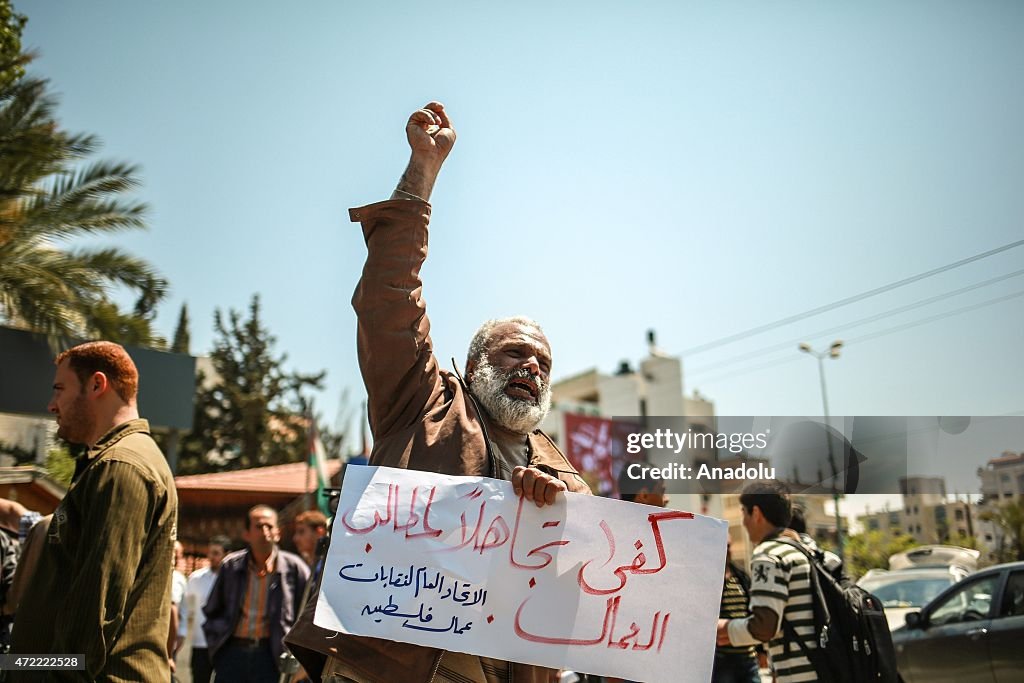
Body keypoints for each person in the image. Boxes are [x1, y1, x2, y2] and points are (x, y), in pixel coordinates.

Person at [284, 101, 592, 683]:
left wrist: (559, 510)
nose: (532, 366)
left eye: (543, 362)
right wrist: (422, 173)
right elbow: (389, 296)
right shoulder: (423, 404)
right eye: (514, 352)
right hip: (388, 666)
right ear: (474, 365)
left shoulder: (566, 473)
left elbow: (589, 578)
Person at [10, 341, 178, 681]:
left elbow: (95, 614)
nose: (52, 404)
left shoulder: (121, 466)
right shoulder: (112, 462)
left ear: (97, 385)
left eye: (60, 389)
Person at [716, 481, 815, 683]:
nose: (743, 521)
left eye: (744, 512)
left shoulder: (767, 555)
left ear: (757, 513)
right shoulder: (807, 550)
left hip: (797, 675)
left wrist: (726, 629)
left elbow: (764, 626)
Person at [203, 505, 309, 683]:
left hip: (272, 655)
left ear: (278, 532)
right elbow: (213, 609)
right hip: (233, 653)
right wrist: (218, 646)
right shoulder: (231, 566)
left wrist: (300, 658)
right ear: (246, 534)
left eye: (269, 526)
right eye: (259, 527)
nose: (265, 531)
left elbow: (307, 616)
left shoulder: (294, 568)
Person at [179, 536, 229, 683]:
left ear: (226, 554)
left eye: (216, 553)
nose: (211, 557)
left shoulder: (234, 580)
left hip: (225, 644)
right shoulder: (196, 578)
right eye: (210, 553)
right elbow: (185, 608)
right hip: (200, 642)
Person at [712, 539, 761, 683]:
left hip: (748, 657)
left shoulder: (741, 576)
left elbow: (754, 612)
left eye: (728, 546)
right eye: (723, 545)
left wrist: (762, 651)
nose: (727, 550)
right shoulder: (710, 580)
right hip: (722, 660)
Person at [169, 540, 188, 678]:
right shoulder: (167, 576)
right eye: (173, 552)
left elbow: (179, 611)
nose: (175, 557)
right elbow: (172, 611)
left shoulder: (178, 578)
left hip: (170, 641)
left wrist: (180, 634)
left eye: (178, 554)